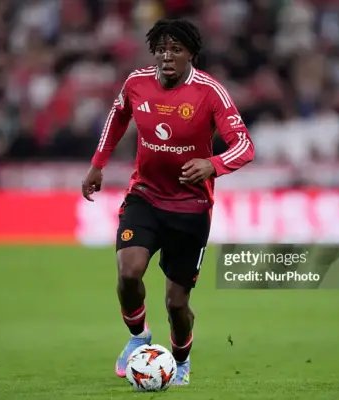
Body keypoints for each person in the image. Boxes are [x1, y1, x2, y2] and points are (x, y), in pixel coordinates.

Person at [81, 19, 255, 385]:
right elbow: (117, 117)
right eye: (161, 49)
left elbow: (244, 145)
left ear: (191, 53)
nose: (167, 56)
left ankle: (181, 360)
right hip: (145, 196)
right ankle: (138, 336)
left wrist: (213, 164)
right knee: (128, 273)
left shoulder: (210, 92)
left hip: (191, 208)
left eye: (176, 49)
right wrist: (98, 164)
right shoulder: (137, 82)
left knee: (176, 303)